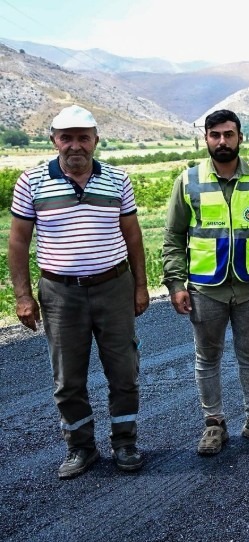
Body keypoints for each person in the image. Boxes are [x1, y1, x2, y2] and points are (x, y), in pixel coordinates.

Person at [8, 105, 149, 479]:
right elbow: (19, 243)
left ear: (95, 141)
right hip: (60, 294)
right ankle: (81, 448)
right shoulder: (32, 181)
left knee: (124, 371)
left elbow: (133, 236)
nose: (75, 145)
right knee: (68, 379)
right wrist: (23, 297)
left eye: (83, 137)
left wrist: (140, 286)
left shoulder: (117, 180)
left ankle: (125, 443)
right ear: (54, 139)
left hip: (114, 287)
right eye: (66, 137)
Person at [162, 109, 249, 456]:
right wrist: (175, 283)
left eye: (228, 134)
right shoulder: (187, 181)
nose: (222, 141)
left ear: (240, 137)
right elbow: (173, 236)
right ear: (206, 138)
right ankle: (214, 424)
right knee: (207, 357)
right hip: (205, 289)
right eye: (215, 135)